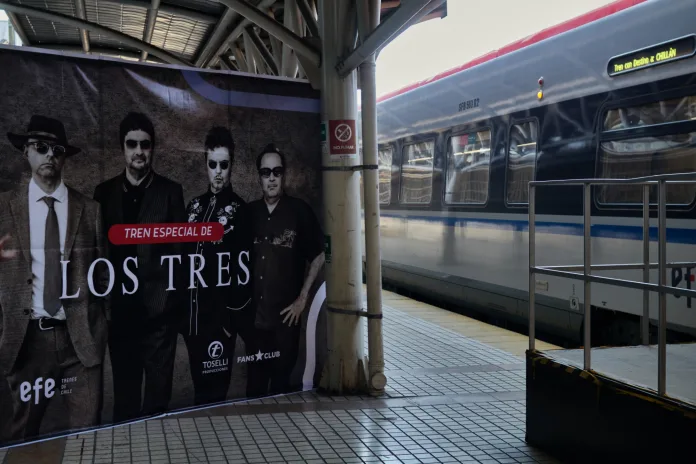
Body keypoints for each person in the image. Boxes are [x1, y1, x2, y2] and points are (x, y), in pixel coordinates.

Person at [0, 115, 109, 441]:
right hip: (27, 342)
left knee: (89, 435)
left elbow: (104, 276)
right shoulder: (4, 208)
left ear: (64, 157)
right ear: (26, 152)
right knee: (23, 436)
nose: (50, 155)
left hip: (81, 342)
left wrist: (101, 326)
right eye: (41, 147)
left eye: (57, 149)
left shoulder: (90, 210)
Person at [93, 112, 186, 423]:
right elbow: (98, 255)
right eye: (131, 144)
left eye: (145, 145)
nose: (138, 151)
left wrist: (170, 305)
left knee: (158, 403)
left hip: (159, 318)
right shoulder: (103, 194)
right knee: (125, 403)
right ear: (122, 147)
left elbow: (181, 256)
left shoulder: (171, 192)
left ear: (153, 148)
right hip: (120, 317)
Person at [181, 126, 255, 405]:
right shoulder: (194, 207)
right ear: (205, 165)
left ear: (232, 165)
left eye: (224, 165)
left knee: (216, 392)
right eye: (212, 165)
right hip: (193, 321)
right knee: (200, 387)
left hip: (220, 322)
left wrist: (229, 323)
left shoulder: (240, 210)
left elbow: (243, 271)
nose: (218, 172)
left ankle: (215, 442)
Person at [246, 143, 325, 396]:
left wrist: (303, 299)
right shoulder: (249, 213)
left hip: (285, 321)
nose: (271, 178)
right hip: (255, 322)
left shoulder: (299, 211)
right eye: (266, 172)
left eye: (276, 172)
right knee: (255, 387)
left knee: (280, 387)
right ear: (259, 176)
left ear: (284, 175)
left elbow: (319, 254)